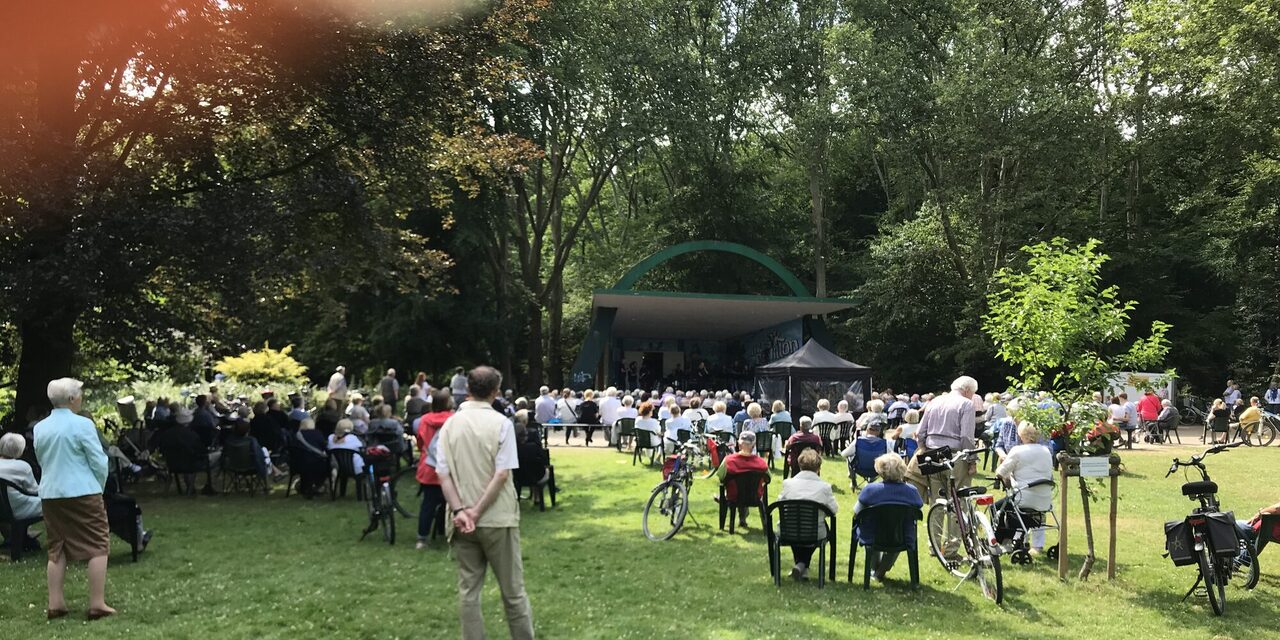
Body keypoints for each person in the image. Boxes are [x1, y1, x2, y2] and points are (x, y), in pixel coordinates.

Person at [437, 366, 534, 640]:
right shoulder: (502, 424)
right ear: (495, 392)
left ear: (468, 389)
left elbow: (443, 475)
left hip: (462, 519)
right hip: (497, 519)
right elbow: (502, 474)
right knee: (513, 593)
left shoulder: (450, 424)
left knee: (469, 593)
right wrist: (475, 511)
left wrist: (461, 511)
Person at [32, 378, 114, 620]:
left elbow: (42, 460)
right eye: (79, 394)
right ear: (71, 399)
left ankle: (55, 603)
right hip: (83, 491)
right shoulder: (83, 425)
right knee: (98, 545)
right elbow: (98, 461)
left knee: (56, 547)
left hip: (51, 493)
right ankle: (97, 603)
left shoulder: (40, 428)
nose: (81, 398)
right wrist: (98, 486)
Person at [853, 453, 925, 580]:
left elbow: (856, 512)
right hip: (901, 537)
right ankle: (880, 571)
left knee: (871, 527)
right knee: (900, 528)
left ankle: (875, 569)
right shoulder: (912, 491)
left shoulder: (870, 490)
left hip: (873, 535)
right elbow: (918, 511)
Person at [907, 376, 978, 503]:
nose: (972, 397)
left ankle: (934, 523)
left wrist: (923, 448)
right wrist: (972, 461)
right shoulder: (966, 404)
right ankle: (956, 523)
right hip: (955, 455)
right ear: (967, 390)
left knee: (936, 500)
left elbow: (920, 431)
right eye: (972, 394)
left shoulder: (934, 401)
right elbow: (966, 436)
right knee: (958, 500)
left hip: (932, 454)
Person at [993, 423, 1054, 554]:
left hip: (1024, 497)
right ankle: (1028, 542)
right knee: (1010, 505)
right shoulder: (1046, 451)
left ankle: (1004, 541)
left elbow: (1000, 472)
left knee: (997, 507)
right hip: (1044, 498)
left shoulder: (1017, 450)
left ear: (1021, 435)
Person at [777, 448, 837, 580]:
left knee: (796, 526)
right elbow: (833, 510)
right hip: (813, 531)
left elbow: (779, 503)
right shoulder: (824, 487)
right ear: (818, 468)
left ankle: (800, 565)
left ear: (799, 465)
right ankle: (803, 565)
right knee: (814, 530)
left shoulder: (788, 484)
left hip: (789, 530)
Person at [415, 390, 454, 549]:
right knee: (449, 501)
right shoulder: (454, 420)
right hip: (449, 467)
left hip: (429, 467)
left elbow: (420, 441)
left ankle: (422, 538)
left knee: (428, 504)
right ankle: (444, 531)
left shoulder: (424, 420)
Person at [716, 430, 770, 528]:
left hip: (733, 496)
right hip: (755, 496)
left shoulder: (729, 460)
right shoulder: (762, 463)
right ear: (753, 446)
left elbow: (720, 476)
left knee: (735, 488)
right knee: (746, 488)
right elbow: (768, 478)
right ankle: (743, 519)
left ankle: (723, 499)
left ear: (739, 445)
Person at [0, 433, 42, 544]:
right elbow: (34, 491)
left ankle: (14, 538)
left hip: (2, 508)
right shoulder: (22, 466)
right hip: (16, 508)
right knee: (51, 504)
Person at [292, 418, 330, 497]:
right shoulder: (317, 433)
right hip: (316, 462)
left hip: (298, 463)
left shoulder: (297, 435)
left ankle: (305, 487)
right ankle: (318, 486)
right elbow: (324, 446)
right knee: (327, 465)